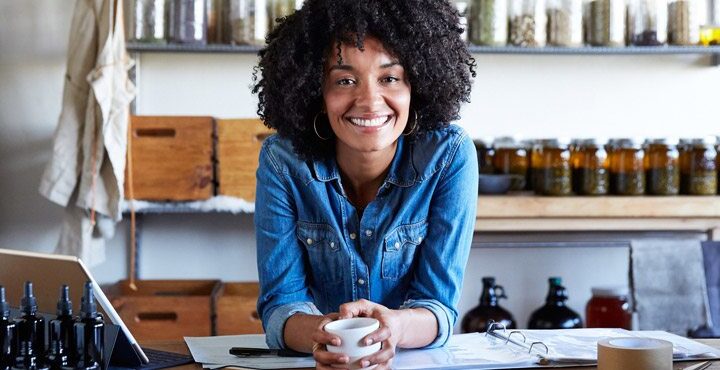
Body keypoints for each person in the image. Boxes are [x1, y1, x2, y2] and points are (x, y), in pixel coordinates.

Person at [252, 0, 478, 368]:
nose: (370, 102)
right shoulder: (283, 162)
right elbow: (281, 307)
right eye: (344, 80)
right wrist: (322, 333)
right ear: (315, 92)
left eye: (389, 78)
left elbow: (439, 307)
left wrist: (395, 329)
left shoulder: (449, 155)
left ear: (416, 86)